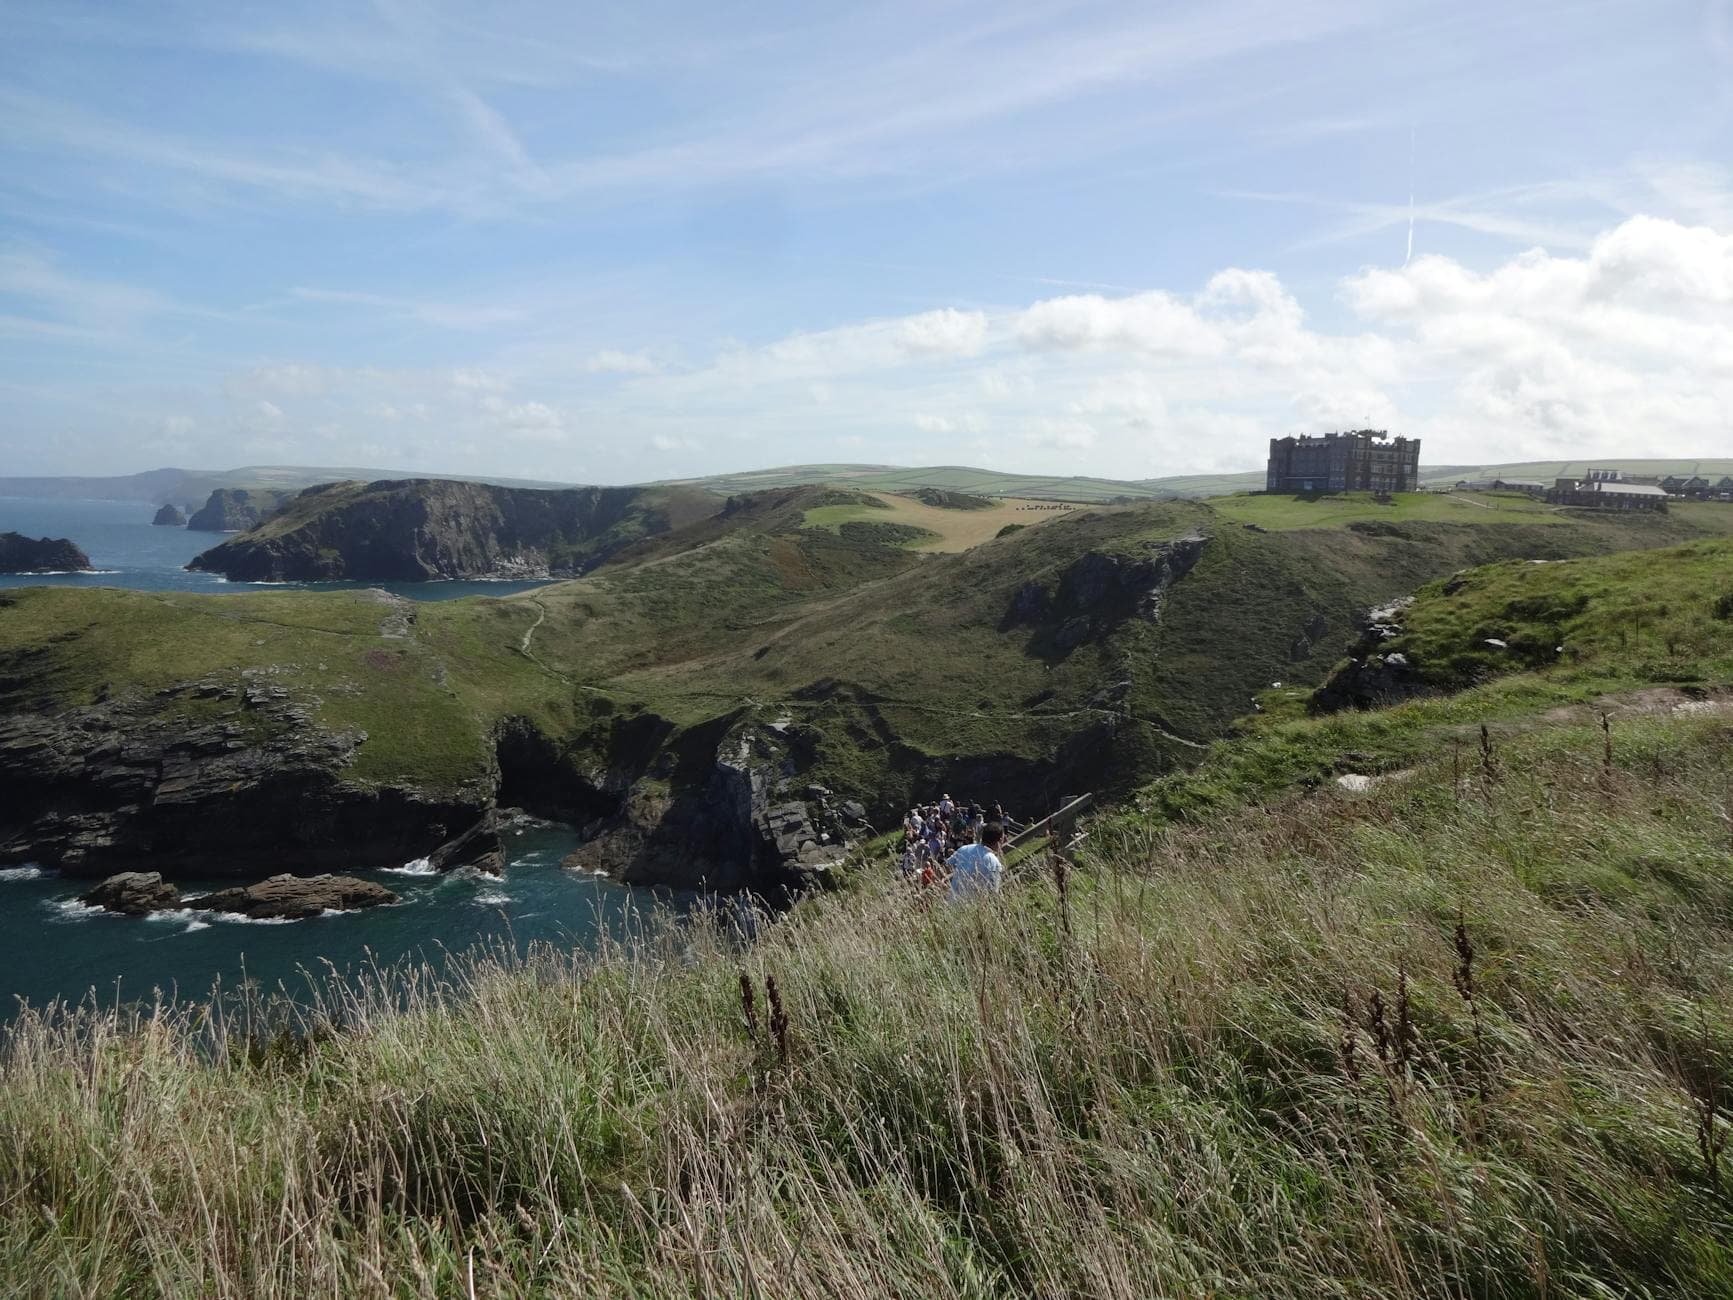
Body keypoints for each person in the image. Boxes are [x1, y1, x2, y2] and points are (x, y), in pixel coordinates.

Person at [946, 821, 1006, 900]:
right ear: (1000, 840)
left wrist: (945, 884)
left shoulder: (964, 849)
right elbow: (994, 892)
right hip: (973, 906)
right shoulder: (994, 862)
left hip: (952, 902)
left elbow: (945, 866)